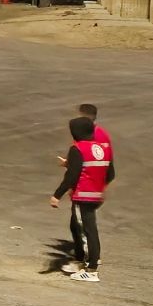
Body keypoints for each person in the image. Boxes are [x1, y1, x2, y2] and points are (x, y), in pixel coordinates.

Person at [49, 116, 113, 282]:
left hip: (83, 196)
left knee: (85, 231)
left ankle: (90, 269)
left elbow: (72, 176)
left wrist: (57, 195)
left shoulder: (78, 148)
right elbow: (109, 173)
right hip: (96, 196)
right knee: (85, 229)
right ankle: (84, 262)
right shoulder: (102, 148)